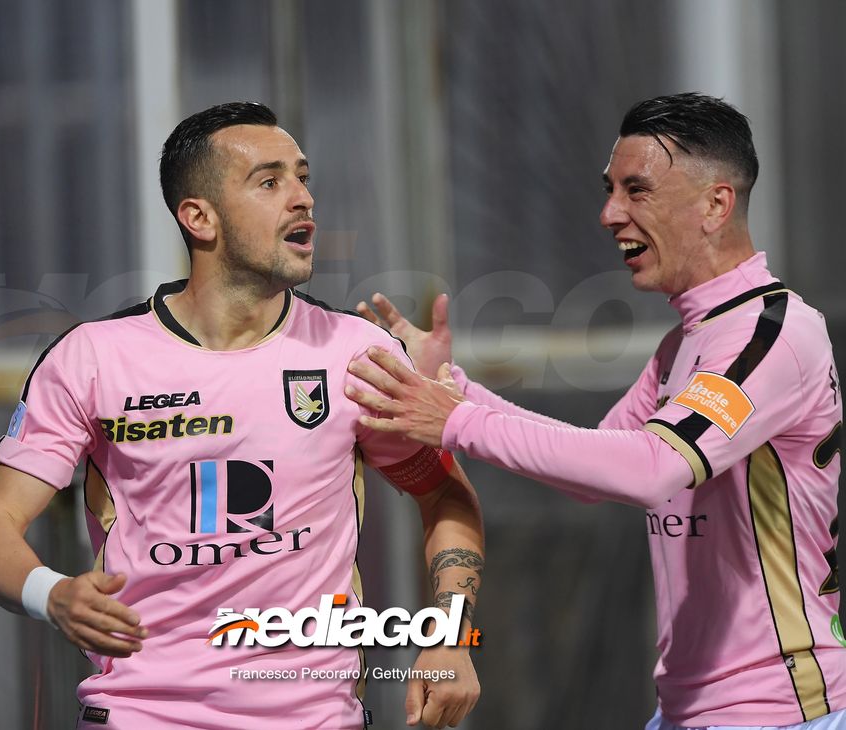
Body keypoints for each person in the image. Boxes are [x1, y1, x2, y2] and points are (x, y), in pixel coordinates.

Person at [0, 101, 484, 730]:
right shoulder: (93, 358)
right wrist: (54, 594)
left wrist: (450, 636)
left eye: (303, 177)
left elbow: (446, 497)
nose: (303, 199)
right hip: (140, 716)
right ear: (198, 218)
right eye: (270, 182)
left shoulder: (354, 353)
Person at [347, 93, 845, 730]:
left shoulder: (769, 334)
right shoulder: (685, 343)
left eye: (636, 190)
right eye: (610, 190)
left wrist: (454, 420)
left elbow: (651, 469)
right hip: (693, 709)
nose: (610, 214)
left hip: (778, 712)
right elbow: (596, 467)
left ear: (716, 204)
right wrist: (452, 386)